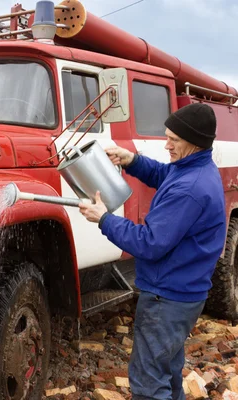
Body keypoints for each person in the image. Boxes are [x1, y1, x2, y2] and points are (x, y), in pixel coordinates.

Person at [78, 103, 226, 400]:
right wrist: (131, 160)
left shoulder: (190, 189)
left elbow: (149, 243)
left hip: (167, 297)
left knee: (148, 382)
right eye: (166, 135)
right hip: (181, 292)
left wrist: (104, 219)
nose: (166, 144)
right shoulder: (194, 167)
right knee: (167, 369)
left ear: (194, 141)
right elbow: (165, 175)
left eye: (174, 139)